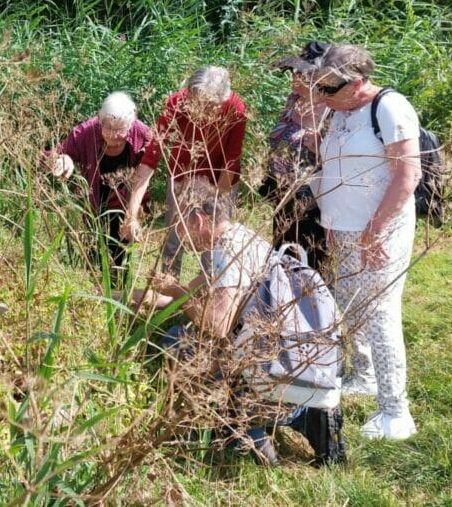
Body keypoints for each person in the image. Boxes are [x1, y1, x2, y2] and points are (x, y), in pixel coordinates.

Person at [130, 187, 345, 466]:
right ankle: (304, 413)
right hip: (290, 359)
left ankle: (246, 428)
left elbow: (217, 326)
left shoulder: (225, 252)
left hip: (266, 369)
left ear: (199, 219)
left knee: (177, 340)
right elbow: (179, 294)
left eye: (180, 225)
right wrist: (122, 298)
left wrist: (178, 294)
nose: (179, 235)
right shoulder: (242, 237)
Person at [310, 43, 421, 440]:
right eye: (318, 87)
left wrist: (375, 229)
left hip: (379, 230)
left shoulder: (389, 108)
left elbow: (407, 176)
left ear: (357, 82)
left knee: (381, 313)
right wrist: (331, 223)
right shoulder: (340, 111)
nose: (321, 96)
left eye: (328, 89)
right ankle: (365, 375)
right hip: (343, 231)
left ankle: (396, 412)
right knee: (350, 305)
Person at [121, 66, 247, 277]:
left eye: (211, 107)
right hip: (181, 178)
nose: (204, 113)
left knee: (214, 243)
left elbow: (231, 161)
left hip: (220, 182)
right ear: (189, 92)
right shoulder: (176, 103)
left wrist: (215, 207)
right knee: (174, 237)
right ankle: (167, 293)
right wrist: (132, 213)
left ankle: (208, 296)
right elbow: (151, 156)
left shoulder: (236, 108)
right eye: (198, 103)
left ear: (222, 100)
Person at [46, 91, 157, 285]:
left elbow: (149, 166)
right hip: (95, 203)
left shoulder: (142, 133)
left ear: (130, 124)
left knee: (120, 256)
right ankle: (94, 292)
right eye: (109, 128)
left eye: (120, 129)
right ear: (100, 120)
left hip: (126, 205)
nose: (114, 135)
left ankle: (117, 293)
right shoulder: (85, 132)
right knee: (95, 253)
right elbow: (56, 154)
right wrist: (64, 160)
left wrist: (135, 213)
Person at [262, 41, 332, 272]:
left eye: (300, 72)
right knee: (282, 247)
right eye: (293, 71)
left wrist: (318, 145)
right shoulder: (293, 100)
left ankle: (314, 302)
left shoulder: (331, 109)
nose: (294, 76)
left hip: (312, 193)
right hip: (283, 188)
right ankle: (280, 296)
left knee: (311, 251)